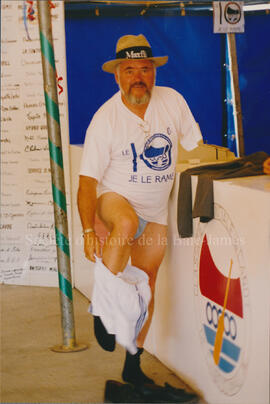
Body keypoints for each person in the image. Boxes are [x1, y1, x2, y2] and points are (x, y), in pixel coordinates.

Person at [77, 34, 202, 386]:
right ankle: (102, 310)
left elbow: (198, 147)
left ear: (154, 73)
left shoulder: (173, 101)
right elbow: (87, 183)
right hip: (115, 201)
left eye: (145, 68)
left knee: (145, 287)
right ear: (117, 75)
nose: (138, 76)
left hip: (157, 212)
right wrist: (88, 230)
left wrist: (245, 164)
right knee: (127, 221)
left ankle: (133, 365)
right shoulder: (105, 119)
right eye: (129, 69)